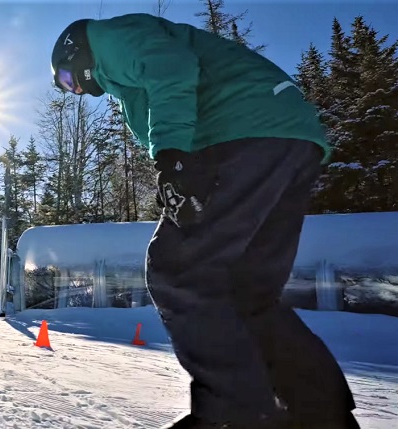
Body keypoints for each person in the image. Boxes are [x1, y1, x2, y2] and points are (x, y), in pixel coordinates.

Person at [50, 13, 358, 429]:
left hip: (240, 135)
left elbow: (170, 66)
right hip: (289, 140)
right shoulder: (121, 72)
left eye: (69, 81)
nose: (81, 92)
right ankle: (319, 410)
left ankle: (234, 414)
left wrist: (173, 158)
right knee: (248, 292)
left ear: (76, 51)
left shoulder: (107, 40)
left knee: (179, 270)